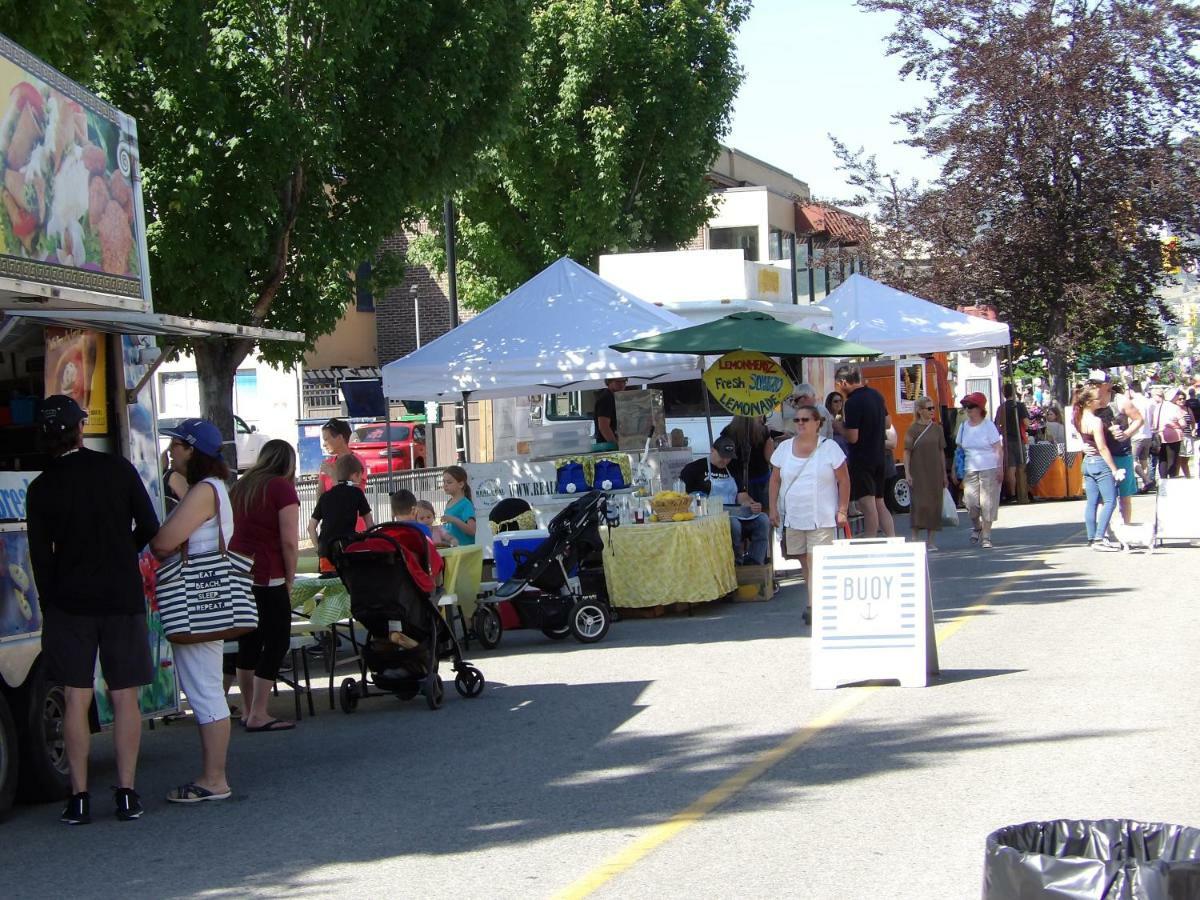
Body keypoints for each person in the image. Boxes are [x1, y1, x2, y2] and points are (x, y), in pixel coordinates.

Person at [26, 396, 159, 824]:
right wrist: (124, 553)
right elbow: (150, 527)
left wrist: (52, 605)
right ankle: (126, 793)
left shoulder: (41, 488)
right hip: (120, 597)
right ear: (80, 430)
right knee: (125, 697)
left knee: (74, 698)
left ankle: (79, 797)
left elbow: (40, 560)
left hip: (69, 604)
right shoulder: (116, 469)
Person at [150, 418, 236, 804]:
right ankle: (213, 775)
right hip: (212, 599)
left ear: (193, 451)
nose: (171, 452)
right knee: (206, 685)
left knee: (203, 689)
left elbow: (164, 542)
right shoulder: (216, 487)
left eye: (178, 446)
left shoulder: (203, 491)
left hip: (196, 600)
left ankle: (214, 778)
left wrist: (177, 499)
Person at [228, 440, 300, 733]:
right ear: (289, 463)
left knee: (249, 640)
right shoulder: (281, 488)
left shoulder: (243, 486)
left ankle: (247, 709)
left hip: (239, 569)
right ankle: (259, 711)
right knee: (277, 639)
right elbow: (289, 540)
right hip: (268, 570)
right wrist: (290, 577)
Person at [768, 404, 850, 587]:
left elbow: (844, 480)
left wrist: (842, 510)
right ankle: (814, 599)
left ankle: (815, 605)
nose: (800, 423)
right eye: (797, 420)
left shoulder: (830, 447)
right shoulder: (784, 448)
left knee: (817, 561)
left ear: (817, 423)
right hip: (793, 516)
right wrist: (773, 508)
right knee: (803, 559)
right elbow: (774, 480)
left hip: (821, 517)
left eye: (805, 419)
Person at [680, 436, 770, 565]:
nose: (725, 460)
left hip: (735, 512)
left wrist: (751, 504)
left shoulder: (733, 468)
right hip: (709, 518)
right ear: (712, 450)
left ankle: (755, 561)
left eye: (728, 457)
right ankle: (735, 562)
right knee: (733, 524)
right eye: (722, 456)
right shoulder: (694, 469)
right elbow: (684, 495)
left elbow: (741, 495)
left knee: (763, 520)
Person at [835, 363, 895, 538]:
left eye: (838, 383)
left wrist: (839, 427)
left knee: (867, 505)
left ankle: (870, 542)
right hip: (880, 455)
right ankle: (892, 539)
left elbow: (853, 437)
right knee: (879, 502)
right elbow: (888, 423)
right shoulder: (876, 395)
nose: (838, 387)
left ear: (844, 382)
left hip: (862, 458)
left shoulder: (852, 402)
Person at [1073, 385, 1125, 551]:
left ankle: (1091, 537)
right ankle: (1099, 538)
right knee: (1110, 501)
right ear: (1089, 402)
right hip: (1099, 462)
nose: (1100, 401)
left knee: (1092, 502)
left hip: (1088, 462)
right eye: (1097, 399)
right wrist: (1114, 469)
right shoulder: (1095, 421)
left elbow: (1079, 436)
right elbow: (1102, 447)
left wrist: (1082, 445)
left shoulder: (1078, 417)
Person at [316, 417, 368, 573]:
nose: (324, 443)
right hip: (330, 530)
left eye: (327, 439)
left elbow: (355, 490)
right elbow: (321, 494)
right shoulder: (328, 462)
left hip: (354, 529)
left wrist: (333, 474)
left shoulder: (356, 461)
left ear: (339, 438)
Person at [952, 392, 1003, 549]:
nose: (968, 409)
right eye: (966, 406)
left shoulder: (988, 426)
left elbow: (998, 448)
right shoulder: (963, 427)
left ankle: (986, 536)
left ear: (980, 408)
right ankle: (977, 526)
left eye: (971, 406)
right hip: (970, 469)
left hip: (989, 467)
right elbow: (959, 450)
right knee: (971, 503)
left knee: (987, 503)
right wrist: (954, 469)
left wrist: (1000, 468)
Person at [309, 453, 375, 561]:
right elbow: (369, 523)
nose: (360, 481)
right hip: (347, 549)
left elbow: (311, 527)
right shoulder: (357, 493)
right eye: (360, 476)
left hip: (326, 551)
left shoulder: (325, 496)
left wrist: (319, 549)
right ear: (354, 475)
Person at [903, 396, 948, 550]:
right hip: (918, 471)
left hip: (934, 471)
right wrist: (907, 473)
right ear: (920, 411)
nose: (932, 411)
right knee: (918, 504)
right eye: (929, 408)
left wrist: (944, 473)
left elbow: (941, 451)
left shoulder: (937, 429)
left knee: (934, 504)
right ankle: (915, 538)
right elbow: (907, 452)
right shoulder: (913, 429)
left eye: (933, 408)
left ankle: (931, 541)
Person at [720, 416, 775, 507]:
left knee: (740, 512)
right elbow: (770, 458)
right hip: (760, 478)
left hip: (736, 479)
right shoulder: (763, 431)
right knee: (761, 510)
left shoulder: (728, 431)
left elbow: (724, 456)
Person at [994, 382, 1031, 501]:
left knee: (1011, 468)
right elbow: (1026, 423)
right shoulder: (1019, 406)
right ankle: (1023, 493)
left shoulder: (1001, 408)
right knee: (1021, 467)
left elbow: (997, 426)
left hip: (1007, 440)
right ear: (1014, 392)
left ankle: (1012, 494)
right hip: (1019, 439)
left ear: (1004, 393)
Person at [441, 465, 477, 546]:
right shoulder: (449, 502)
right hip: (453, 551)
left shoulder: (466, 504)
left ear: (461, 484)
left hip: (465, 551)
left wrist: (454, 520)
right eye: (444, 482)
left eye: (449, 482)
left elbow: (472, 530)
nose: (445, 485)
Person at [592, 377, 628, 449]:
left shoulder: (613, 397)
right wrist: (616, 446)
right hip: (607, 447)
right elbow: (603, 427)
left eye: (624, 381)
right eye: (618, 381)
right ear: (609, 382)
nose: (622, 384)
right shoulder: (606, 398)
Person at [1172, 388, 1194, 478]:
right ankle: (1175, 477)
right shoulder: (1173, 409)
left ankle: (1188, 477)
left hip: (1188, 436)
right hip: (1177, 437)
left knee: (1186, 459)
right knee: (1178, 459)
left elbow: (1193, 421)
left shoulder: (1188, 409)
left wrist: (1193, 430)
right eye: (1179, 399)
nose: (1182, 400)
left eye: (1183, 398)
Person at [824, 390, 850, 454]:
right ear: (829, 403)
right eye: (835, 401)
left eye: (840, 401)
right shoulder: (827, 417)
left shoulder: (839, 416)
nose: (839, 403)